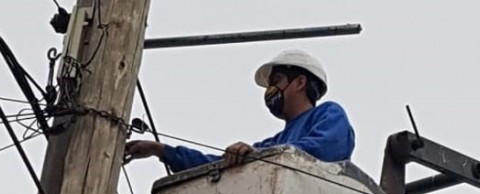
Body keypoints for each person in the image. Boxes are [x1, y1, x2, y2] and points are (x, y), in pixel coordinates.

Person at [124, 49, 355, 172]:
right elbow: (217, 164)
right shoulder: (274, 143)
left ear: (300, 82)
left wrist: (259, 156)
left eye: (277, 80)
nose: (271, 89)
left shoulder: (328, 115)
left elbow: (326, 148)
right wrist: (163, 151)